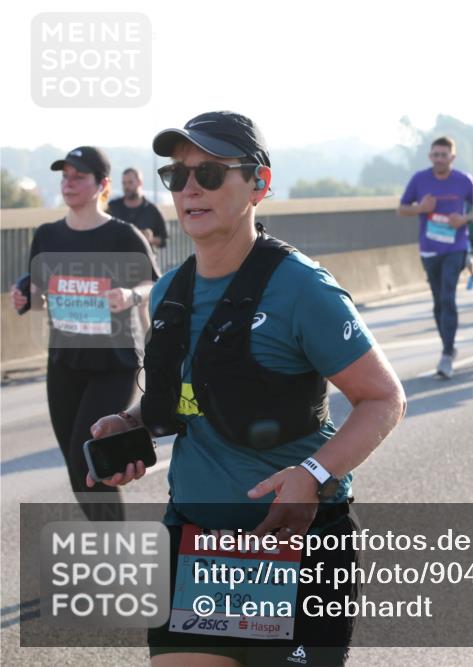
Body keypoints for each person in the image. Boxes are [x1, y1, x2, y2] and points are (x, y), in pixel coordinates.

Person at [88, 111, 406, 666]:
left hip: (297, 546)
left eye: (210, 174)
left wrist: (312, 475)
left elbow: (383, 399)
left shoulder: (303, 290)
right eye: (178, 175)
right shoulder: (169, 292)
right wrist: (132, 422)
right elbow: (195, 393)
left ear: (259, 183)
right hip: (197, 541)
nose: (190, 189)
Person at [8, 146, 159, 522]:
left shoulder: (123, 235)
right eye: (64, 177)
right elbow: (40, 293)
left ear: (102, 184)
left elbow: (153, 284)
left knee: (88, 455)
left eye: (79, 177)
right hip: (64, 361)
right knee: (81, 472)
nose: (69, 184)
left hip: (114, 362)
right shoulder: (47, 235)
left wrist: (129, 295)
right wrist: (24, 294)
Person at [398, 136, 473, 378]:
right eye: (435, 155)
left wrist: (465, 219)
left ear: (452, 157)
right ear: (430, 157)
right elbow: (401, 208)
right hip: (429, 248)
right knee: (438, 302)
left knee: (448, 296)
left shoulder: (463, 180)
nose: (439, 159)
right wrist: (420, 209)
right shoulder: (419, 179)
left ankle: (447, 353)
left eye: (443, 155)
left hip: (455, 247)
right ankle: (449, 345)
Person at [107, 167, 169, 249]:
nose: (126, 187)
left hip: (143, 259)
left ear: (140, 183)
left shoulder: (152, 210)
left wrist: (150, 239)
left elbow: (164, 240)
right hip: (118, 259)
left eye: (130, 182)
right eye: (124, 183)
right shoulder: (112, 207)